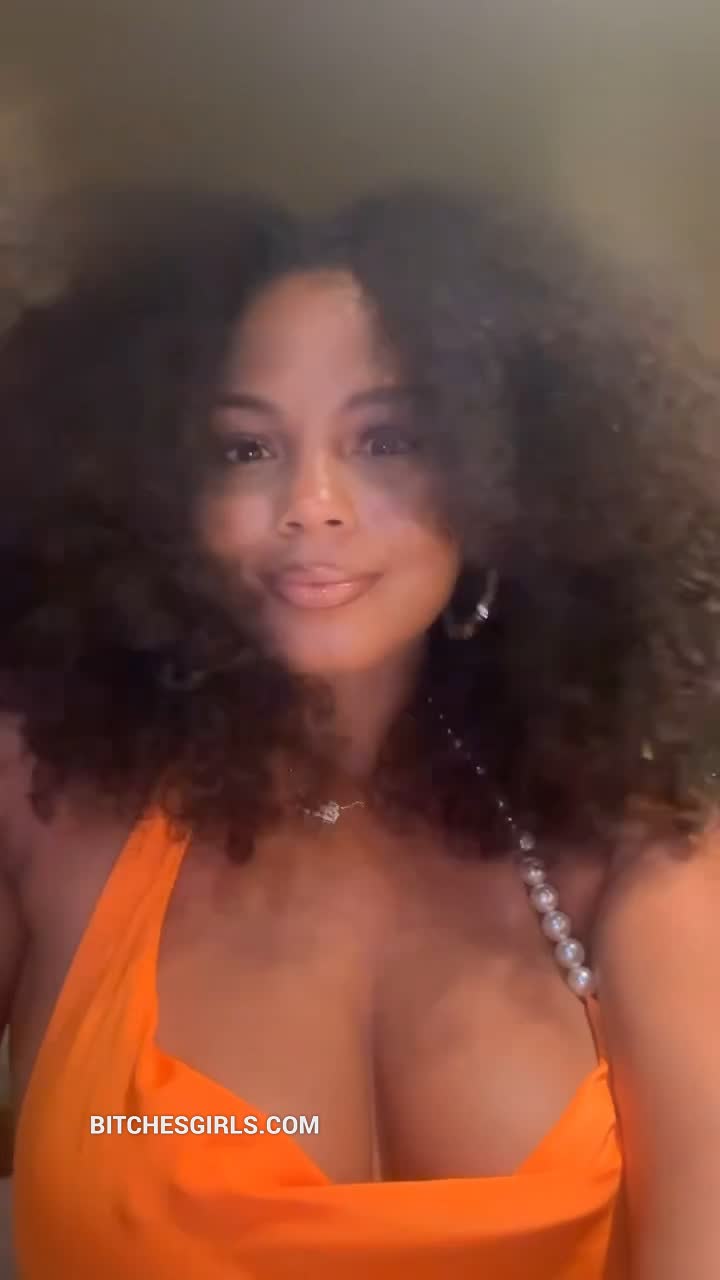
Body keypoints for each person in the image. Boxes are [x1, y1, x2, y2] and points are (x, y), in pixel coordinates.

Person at [0, 185, 719, 1280]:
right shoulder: (45, 799)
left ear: (504, 483)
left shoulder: (642, 862)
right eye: (245, 449)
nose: (314, 503)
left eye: (387, 439)